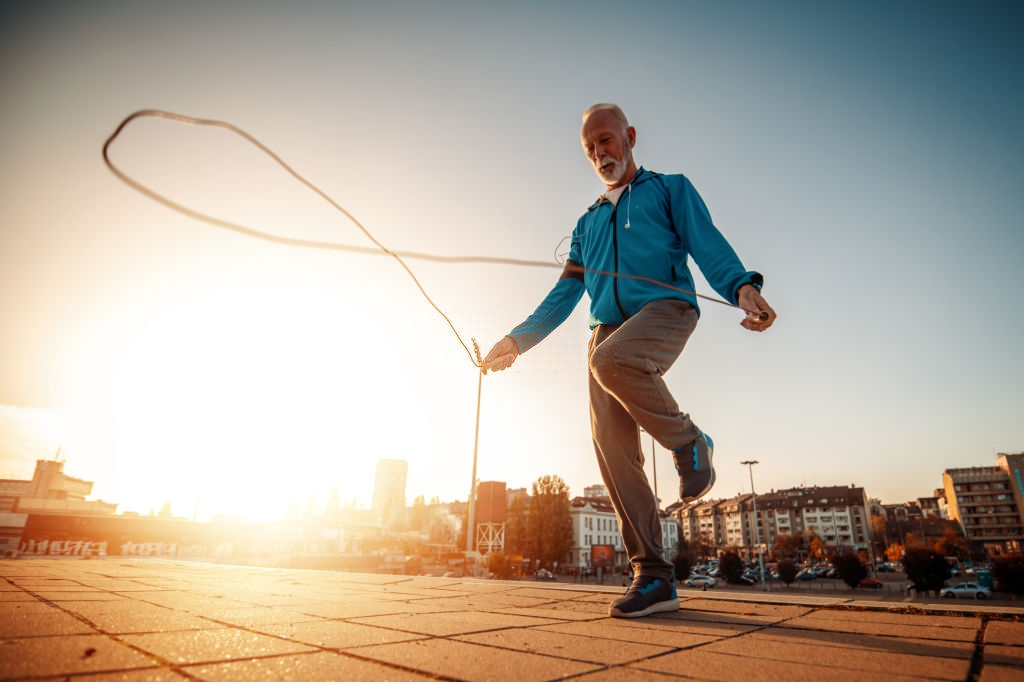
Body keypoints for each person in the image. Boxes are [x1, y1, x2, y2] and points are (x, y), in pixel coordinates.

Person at [482, 103, 776, 618]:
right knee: (613, 449)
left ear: (630, 136)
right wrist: (517, 340)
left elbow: (707, 243)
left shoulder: (669, 189)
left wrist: (741, 287)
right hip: (604, 333)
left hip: (666, 309)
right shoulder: (587, 223)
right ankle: (654, 577)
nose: (600, 153)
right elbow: (564, 294)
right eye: (590, 148)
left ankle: (689, 441)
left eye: (606, 140)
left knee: (612, 359)